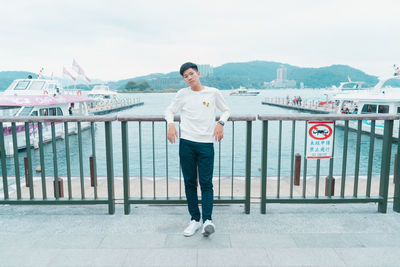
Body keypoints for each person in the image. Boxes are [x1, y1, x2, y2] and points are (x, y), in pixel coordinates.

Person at [165, 62, 230, 237]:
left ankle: (207, 220)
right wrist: (170, 125)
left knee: (206, 183)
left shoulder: (213, 93)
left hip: (206, 144)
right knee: (190, 182)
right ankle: (194, 220)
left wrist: (221, 123)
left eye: (191, 74)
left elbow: (226, 110)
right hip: (186, 143)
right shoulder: (182, 94)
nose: (189, 78)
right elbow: (169, 111)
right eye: (185, 76)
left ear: (199, 74)